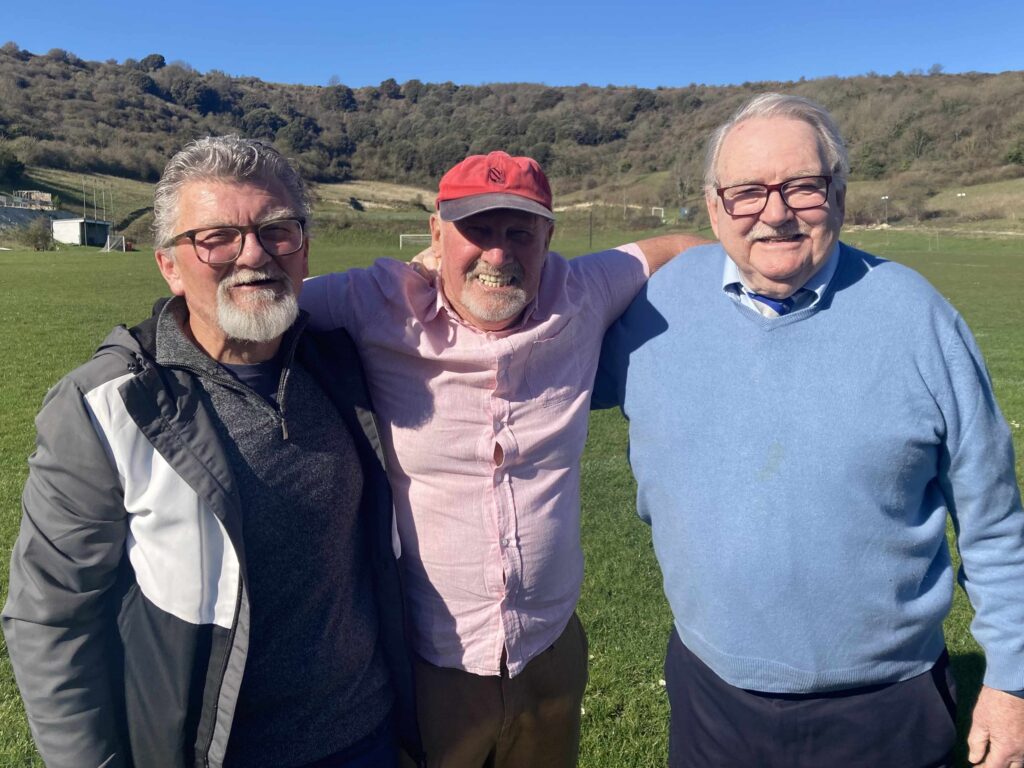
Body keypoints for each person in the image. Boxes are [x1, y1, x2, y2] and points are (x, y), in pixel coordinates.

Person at [596, 93, 1024, 767]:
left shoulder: (920, 320)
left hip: (888, 709)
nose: (776, 212)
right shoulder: (657, 309)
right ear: (713, 208)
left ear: (840, 194)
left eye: (803, 186)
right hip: (711, 695)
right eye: (747, 192)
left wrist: (1010, 682)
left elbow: (995, 522)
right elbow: (528, 368)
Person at [3, 136, 422, 768]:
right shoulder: (108, 407)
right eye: (217, 237)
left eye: (277, 230)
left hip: (366, 736)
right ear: (169, 264)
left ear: (304, 248)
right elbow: (50, 619)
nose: (254, 254)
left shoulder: (341, 364)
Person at [300, 150, 705, 767]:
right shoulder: (375, 300)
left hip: (551, 648)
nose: (498, 252)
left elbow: (680, 246)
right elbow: (265, 305)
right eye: (477, 230)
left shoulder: (585, 290)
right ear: (436, 234)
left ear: (549, 237)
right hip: (435, 658)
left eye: (519, 231)